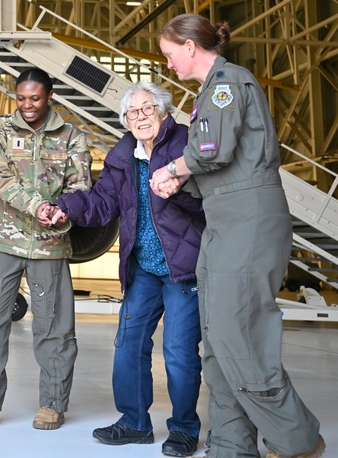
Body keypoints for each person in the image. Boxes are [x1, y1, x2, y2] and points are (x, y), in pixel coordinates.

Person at [149, 14, 324, 458]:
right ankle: (231, 445)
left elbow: (211, 149)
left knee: (238, 333)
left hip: (248, 218)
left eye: (169, 54)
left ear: (189, 47)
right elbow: (217, 159)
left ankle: (297, 440)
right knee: (215, 336)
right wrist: (179, 179)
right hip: (224, 217)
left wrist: (171, 169)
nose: (167, 64)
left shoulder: (228, 82)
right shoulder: (211, 90)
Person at [47, 82, 206, 457]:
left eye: (147, 109)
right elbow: (103, 204)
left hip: (182, 268)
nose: (140, 117)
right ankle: (135, 422)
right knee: (128, 345)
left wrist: (178, 191)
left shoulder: (186, 144)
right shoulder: (123, 153)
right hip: (143, 268)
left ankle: (184, 428)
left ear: (164, 111)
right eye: (132, 112)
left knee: (180, 352)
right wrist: (66, 206)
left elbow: (209, 204)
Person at [0, 67, 92, 432]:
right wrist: (38, 206)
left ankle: (52, 404)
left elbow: (80, 188)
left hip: (50, 245)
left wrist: (62, 212)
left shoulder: (72, 137)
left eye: (35, 98)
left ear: (49, 96)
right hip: (4, 240)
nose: (27, 105)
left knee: (55, 328)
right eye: (21, 98)